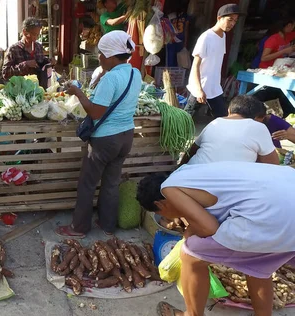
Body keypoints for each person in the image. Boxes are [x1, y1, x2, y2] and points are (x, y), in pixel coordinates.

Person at [136, 162, 295, 316]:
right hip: (287, 188)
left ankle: (191, 314)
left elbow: (210, 228)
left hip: (273, 217)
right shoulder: (188, 172)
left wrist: (188, 234)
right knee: (258, 263)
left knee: (190, 254)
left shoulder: (169, 190)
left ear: (160, 204)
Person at [55, 31, 142, 237]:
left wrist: (78, 92)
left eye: (101, 55)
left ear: (111, 56)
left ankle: (79, 227)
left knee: (87, 183)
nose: (99, 58)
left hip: (105, 139)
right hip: (126, 136)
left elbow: (95, 112)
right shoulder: (134, 73)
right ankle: (107, 225)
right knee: (111, 183)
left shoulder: (110, 79)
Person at [180, 95, 279, 166]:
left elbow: (192, 150)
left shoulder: (215, 123)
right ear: (257, 117)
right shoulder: (258, 127)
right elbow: (273, 165)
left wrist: (178, 168)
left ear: (229, 111)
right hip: (223, 185)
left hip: (189, 175)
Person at [184, 4, 241, 118]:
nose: (232, 24)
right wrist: (199, 89)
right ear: (219, 18)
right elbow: (196, 65)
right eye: (230, 20)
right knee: (185, 121)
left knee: (224, 118)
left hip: (214, 88)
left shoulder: (223, 36)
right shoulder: (206, 37)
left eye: (235, 21)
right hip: (200, 87)